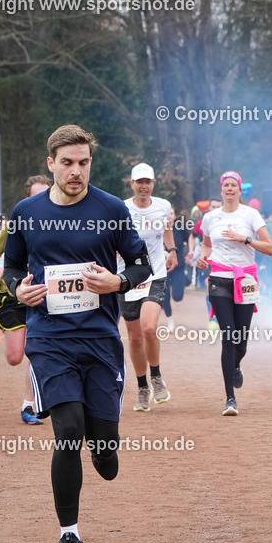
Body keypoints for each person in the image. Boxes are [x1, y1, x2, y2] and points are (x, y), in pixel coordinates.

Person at [3, 125, 152, 543]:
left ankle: (106, 443)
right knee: (68, 432)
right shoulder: (26, 211)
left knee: (103, 454)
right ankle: (69, 535)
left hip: (101, 339)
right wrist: (19, 289)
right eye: (67, 163)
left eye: (83, 162)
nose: (76, 171)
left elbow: (141, 262)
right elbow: (12, 266)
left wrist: (119, 281)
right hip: (50, 339)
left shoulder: (110, 208)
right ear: (51, 163)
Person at [197, 171, 272, 416]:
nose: (229, 189)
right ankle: (230, 398)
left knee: (241, 342)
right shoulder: (210, 217)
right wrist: (202, 257)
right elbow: (207, 243)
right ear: (221, 189)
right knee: (228, 336)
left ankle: (236, 364)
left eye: (234, 185)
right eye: (226, 185)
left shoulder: (250, 214)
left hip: (246, 280)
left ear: (240, 190)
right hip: (220, 279)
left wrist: (246, 239)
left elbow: (270, 248)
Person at [0, 175, 51, 425]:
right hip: (13, 297)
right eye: (36, 196)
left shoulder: (61, 223)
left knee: (37, 350)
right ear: (27, 198)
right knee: (15, 357)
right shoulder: (14, 226)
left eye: (45, 194)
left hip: (43, 297)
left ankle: (30, 404)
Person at [119, 163, 177, 411]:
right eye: (139, 182)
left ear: (153, 184)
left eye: (148, 182)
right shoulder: (121, 208)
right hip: (127, 277)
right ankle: (143, 388)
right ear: (131, 184)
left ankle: (156, 375)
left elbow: (166, 229)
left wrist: (172, 250)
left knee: (149, 327)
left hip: (155, 274)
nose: (143, 186)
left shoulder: (163, 206)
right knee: (134, 338)